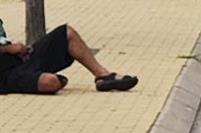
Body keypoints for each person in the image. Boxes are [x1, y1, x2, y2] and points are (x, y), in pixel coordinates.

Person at [0, 19, 137, 94]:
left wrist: (17, 49)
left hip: (19, 58)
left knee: (67, 33)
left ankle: (102, 75)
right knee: (51, 83)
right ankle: (47, 78)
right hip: (5, 75)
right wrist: (8, 49)